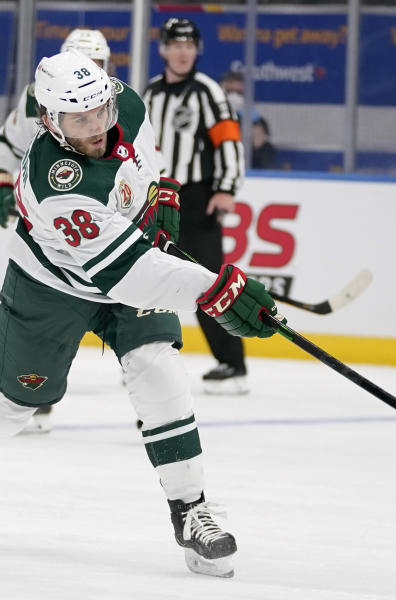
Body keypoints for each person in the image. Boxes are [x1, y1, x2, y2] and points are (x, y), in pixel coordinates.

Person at [0, 49, 282, 578]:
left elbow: (146, 157)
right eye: (80, 119)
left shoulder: (126, 107)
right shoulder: (58, 185)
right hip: (52, 286)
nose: (98, 126)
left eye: (101, 111)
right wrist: (214, 291)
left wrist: (158, 200)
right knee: (14, 402)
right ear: (49, 121)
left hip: (122, 266)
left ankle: (191, 511)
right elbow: (131, 275)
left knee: (159, 370)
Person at [0, 28, 111, 434]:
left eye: (98, 66)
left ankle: (153, 403)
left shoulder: (118, 101)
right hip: (51, 232)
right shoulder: (38, 97)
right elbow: (5, 142)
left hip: (110, 227)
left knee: (141, 328)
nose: (90, 76)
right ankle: (34, 392)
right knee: (49, 315)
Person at [143, 18, 249, 395]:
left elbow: (229, 141)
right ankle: (143, 356)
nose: (183, 51)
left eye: (189, 45)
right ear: (163, 49)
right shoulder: (150, 93)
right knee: (147, 280)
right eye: (176, 44)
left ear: (197, 50)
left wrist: (226, 188)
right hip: (157, 199)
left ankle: (233, 363)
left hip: (197, 199)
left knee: (208, 283)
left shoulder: (207, 92)